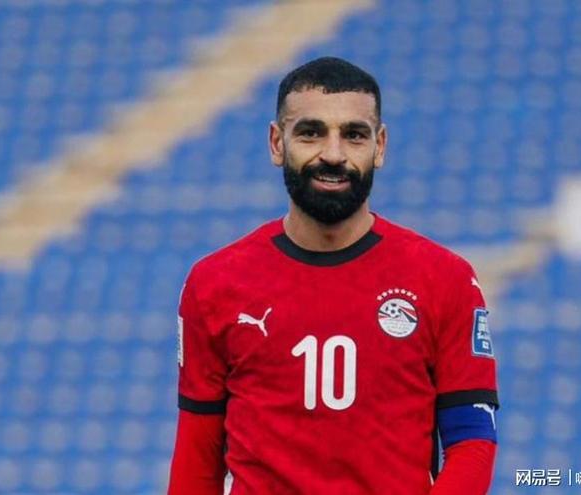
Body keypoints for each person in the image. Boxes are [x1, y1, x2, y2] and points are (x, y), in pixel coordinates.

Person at [168, 56, 499, 495]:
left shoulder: (444, 279)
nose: (333, 154)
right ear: (276, 143)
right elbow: (196, 459)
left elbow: (472, 444)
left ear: (380, 146)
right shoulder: (214, 283)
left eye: (354, 135)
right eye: (311, 132)